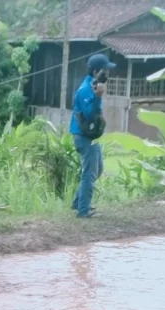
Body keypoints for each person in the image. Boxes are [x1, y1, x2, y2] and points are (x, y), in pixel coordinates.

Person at [70, 53, 115, 219]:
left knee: (98, 169)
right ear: (95, 71)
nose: (107, 74)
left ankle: (77, 203)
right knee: (89, 173)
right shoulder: (85, 91)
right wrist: (97, 99)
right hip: (83, 136)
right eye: (104, 71)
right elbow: (88, 115)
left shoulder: (92, 86)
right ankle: (83, 211)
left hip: (89, 136)